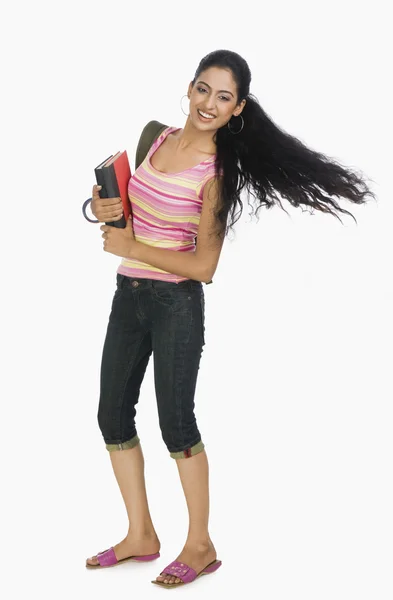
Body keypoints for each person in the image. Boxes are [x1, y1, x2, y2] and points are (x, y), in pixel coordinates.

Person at [84, 49, 376, 587]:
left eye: (223, 97)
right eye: (202, 89)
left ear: (238, 108)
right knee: (111, 416)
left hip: (176, 305)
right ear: (189, 89)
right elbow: (129, 208)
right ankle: (141, 534)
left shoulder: (218, 173)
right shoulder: (158, 137)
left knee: (176, 424)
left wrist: (131, 245)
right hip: (128, 295)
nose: (209, 104)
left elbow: (204, 265)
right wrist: (102, 208)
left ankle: (200, 545)